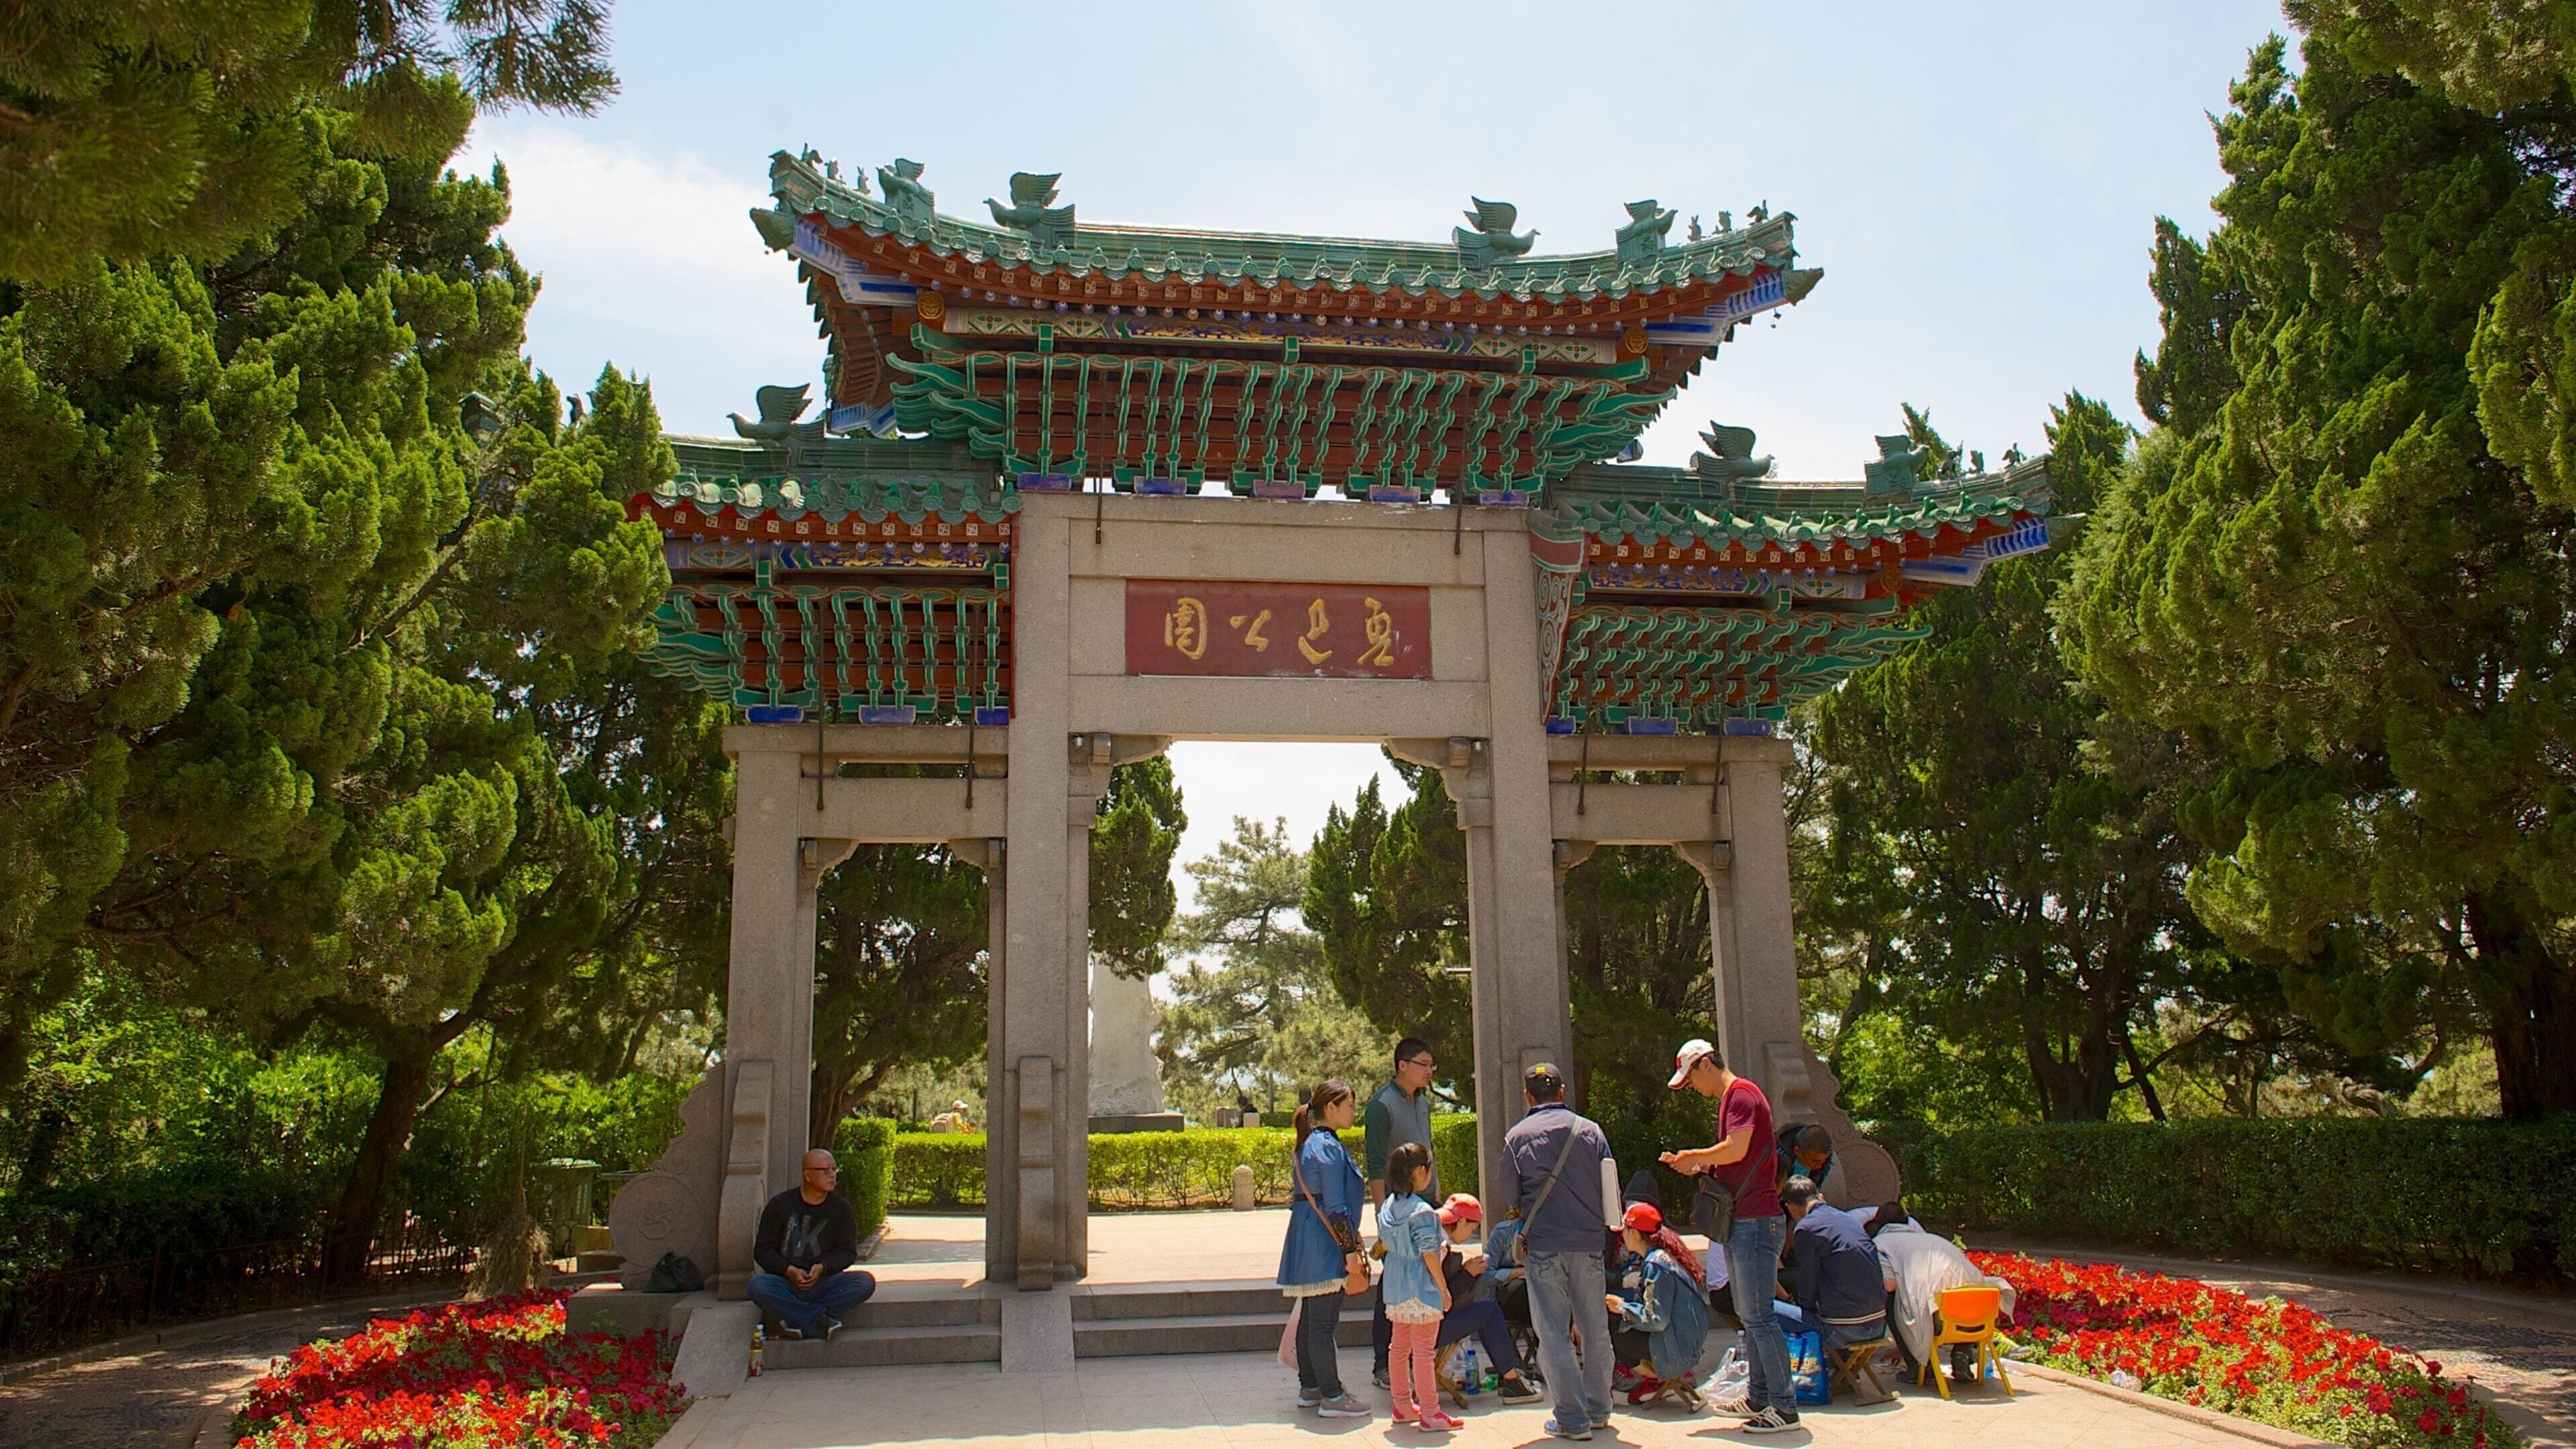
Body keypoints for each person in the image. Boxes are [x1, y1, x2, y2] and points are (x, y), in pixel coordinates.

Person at [1660, 1037, 1800, 1434]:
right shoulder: (1735, 1097)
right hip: (1748, 1220)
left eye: (1691, 1080)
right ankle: (1759, 1396)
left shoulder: (1740, 1095)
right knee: (1750, 1314)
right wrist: (1698, 1166)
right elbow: (1737, 1160)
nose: (1693, 1088)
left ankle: (1784, 1407)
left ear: (1706, 1064)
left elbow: (1736, 1149)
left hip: (1755, 1222)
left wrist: (1697, 1157)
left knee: (1758, 1316)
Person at [1505, 1062, 1614, 1442]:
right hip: (1588, 1243)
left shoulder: (1517, 1137)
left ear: (1528, 1096)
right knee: (1595, 1328)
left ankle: (1571, 1417)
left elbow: (1510, 1195)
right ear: (1563, 1091)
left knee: (1552, 1333)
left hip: (1546, 1245)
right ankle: (1599, 1409)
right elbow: (1609, 1187)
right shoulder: (1592, 1132)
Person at [1278, 1079, 1371, 1419]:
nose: (1353, 1112)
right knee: (1322, 1322)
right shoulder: (1328, 1146)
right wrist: (1349, 1248)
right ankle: (1332, 1394)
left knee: (1310, 1319)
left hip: (1309, 1236)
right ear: (1331, 1108)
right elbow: (1335, 1204)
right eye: (1349, 1105)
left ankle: (1311, 1386)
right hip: (1326, 1239)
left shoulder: (1309, 1144)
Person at [1868, 1201, 2017, 1381]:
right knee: (1964, 1291)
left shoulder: (1880, 1243)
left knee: (1890, 1301)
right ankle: (1962, 1353)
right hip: (1979, 1316)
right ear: (1907, 1222)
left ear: (1878, 1224)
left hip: (1940, 1320)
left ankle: (1919, 1367)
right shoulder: (1934, 1239)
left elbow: (1890, 1285)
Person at [1774, 1176, 1896, 1393]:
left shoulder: (1806, 1228)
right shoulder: (1849, 1220)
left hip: (1843, 1331)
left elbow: (1807, 1282)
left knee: (1765, 1310)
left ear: (1790, 1206)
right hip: (1878, 1324)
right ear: (1819, 1196)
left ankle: (1771, 1382)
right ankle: (1841, 1369)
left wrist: (1801, 1309)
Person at [1365, 1037, 1440, 1389]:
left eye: (1431, 1065)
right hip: (1398, 1207)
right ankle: (1385, 1362)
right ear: (1402, 1065)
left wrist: (1436, 1191)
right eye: (1423, 1064)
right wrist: (1383, 1215)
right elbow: (1376, 1162)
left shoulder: (1423, 1101)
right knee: (1392, 1285)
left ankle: (1419, 1357)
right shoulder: (1382, 1105)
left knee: (1425, 1273)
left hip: (1426, 1202)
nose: (1429, 1071)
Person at [1377, 1142, 1464, 1430]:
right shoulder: (1423, 1211)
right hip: (1421, 1286)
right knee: (1424, 1350)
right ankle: (1430, 1411)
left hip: (1395, 1285)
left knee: (1398, 1347)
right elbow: (1429, 1253)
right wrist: (1443, 1288)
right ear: (1420, 1172)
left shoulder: (1389, 1205)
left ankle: (1402, 1405)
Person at [746, 1149, 876, 1340]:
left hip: (824, 1282)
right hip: (786, 1282)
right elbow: (763, 1251)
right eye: (825, 1170)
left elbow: (847, 1253)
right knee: (757, 1286)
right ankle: (820, 1319)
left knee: (865, 1282)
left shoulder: (841, 1208)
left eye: (834, 1169)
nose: (832, 1174)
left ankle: (794, 1318)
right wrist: (790, 1271)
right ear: (807, 1175)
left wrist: (822, 1268)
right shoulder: (780, 1204)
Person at [1432, 1194, 1545, 1404]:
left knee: (1486, 1310)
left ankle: (1510, 1375)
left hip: (1424, 1321)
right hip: (1430, 1325)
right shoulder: (1440, 1246)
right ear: (1462, 1221)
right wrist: (1468, 1274)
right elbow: (1441, 1293)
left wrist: (1467, 1272)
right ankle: (1512, 1381)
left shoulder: (1434, 1239)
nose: (1470, 1235)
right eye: (1472, 1229)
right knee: (1490, 1312)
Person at [1604, 1202, 1711, 1402]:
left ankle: (1656, 1377)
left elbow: (1656, 1320)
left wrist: (1621, 1307)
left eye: (1625, 1231)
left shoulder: (1656, 1265)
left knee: (1610, 1331)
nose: (1622, 1237)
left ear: (1635, 1233)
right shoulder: (1664, 1256)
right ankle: (1656, 1378)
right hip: (1687, 1342)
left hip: (1678, 1348)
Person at [1776, 1122, 1835, 1197]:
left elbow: (1816, 1187)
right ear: (1797, 1151)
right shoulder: (1777, 1158)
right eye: (1814, 1161)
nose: (1819, 1166)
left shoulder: (1826, 1160)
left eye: (1823, 1161)